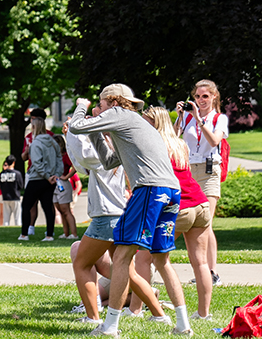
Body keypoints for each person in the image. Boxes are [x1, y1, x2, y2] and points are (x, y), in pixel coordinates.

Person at [69, 84, 192, 337]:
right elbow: (109, 161)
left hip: (149, 189)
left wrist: (81, 107)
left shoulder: (117, 114)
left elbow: (76, 126)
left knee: (122, 257)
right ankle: (183, 325)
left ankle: (110, 326)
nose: (98, 109)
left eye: (100, 105)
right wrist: (97, 129)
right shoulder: (136, 123)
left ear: (112, 102)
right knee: (162, 260)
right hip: (171, 192)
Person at [64, 115, 166, 325]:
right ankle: (159, 315)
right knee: (128, 272)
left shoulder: (101, 158)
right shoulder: (115, 155)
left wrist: (75, 122)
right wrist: (69, 137)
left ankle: (93, 317)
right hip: (120, 216)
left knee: (82, 263)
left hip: (106, 218)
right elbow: (80, 163)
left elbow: (82, 158)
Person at [144, 106, 213, 320]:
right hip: (200, 205)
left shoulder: (152, 145)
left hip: (178, 208)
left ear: (154, 123)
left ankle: (138, 310)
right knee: (200, 262)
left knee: (148, 258)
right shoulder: (179, 143)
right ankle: (203, 314)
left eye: (145, 121)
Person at [175, 79, 228, 286]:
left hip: (208, 171)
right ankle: (201, 271)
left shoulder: (219, 118)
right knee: (190, 222)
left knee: (206, 223)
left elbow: (214, 141)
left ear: (214, 96)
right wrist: (181, 117)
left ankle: (211, 272)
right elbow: (173, 137)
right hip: (188, 172)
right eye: (197, 96)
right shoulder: (188, 118)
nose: (200, 100)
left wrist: (199, 119)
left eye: (205, 96)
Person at [20, 118, 62, 241]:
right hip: (51, 179)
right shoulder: (53, 142)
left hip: (37, 178)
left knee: (26, 205)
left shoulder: (35, 144)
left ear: (34, 128)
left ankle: (24, 234)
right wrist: (56, 175)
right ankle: (49, 234)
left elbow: (37, 163)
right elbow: (59, 158)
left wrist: (47, 176)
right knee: (48, 206)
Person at [21, 108, 54, 236]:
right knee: (31, 202)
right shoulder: (29, 137)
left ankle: (49, 230)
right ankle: (30, 227)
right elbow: (23, 157)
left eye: (33, 119)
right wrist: (27, 151)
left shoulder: (50, 136)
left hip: (45, 173)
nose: (31, 121)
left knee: (47, 203)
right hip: (33, 172)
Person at [54, 135, 80, 239]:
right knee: (60, 209)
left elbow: (75, 167)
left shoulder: (65, 156)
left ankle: (74, 233)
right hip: (54, 183)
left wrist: (66, 177)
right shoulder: (53, 156)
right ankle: (66, 233)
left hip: (62, 184)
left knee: (66, 209)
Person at [0, 155, 24, 226]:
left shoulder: (2, 174)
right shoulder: (17, 173)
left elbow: (1, 185)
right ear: (13, 163)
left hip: (5, 197)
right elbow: (21, 186)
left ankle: (5, 230)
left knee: (6, 219)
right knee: (17, 218)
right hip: (15, 196)